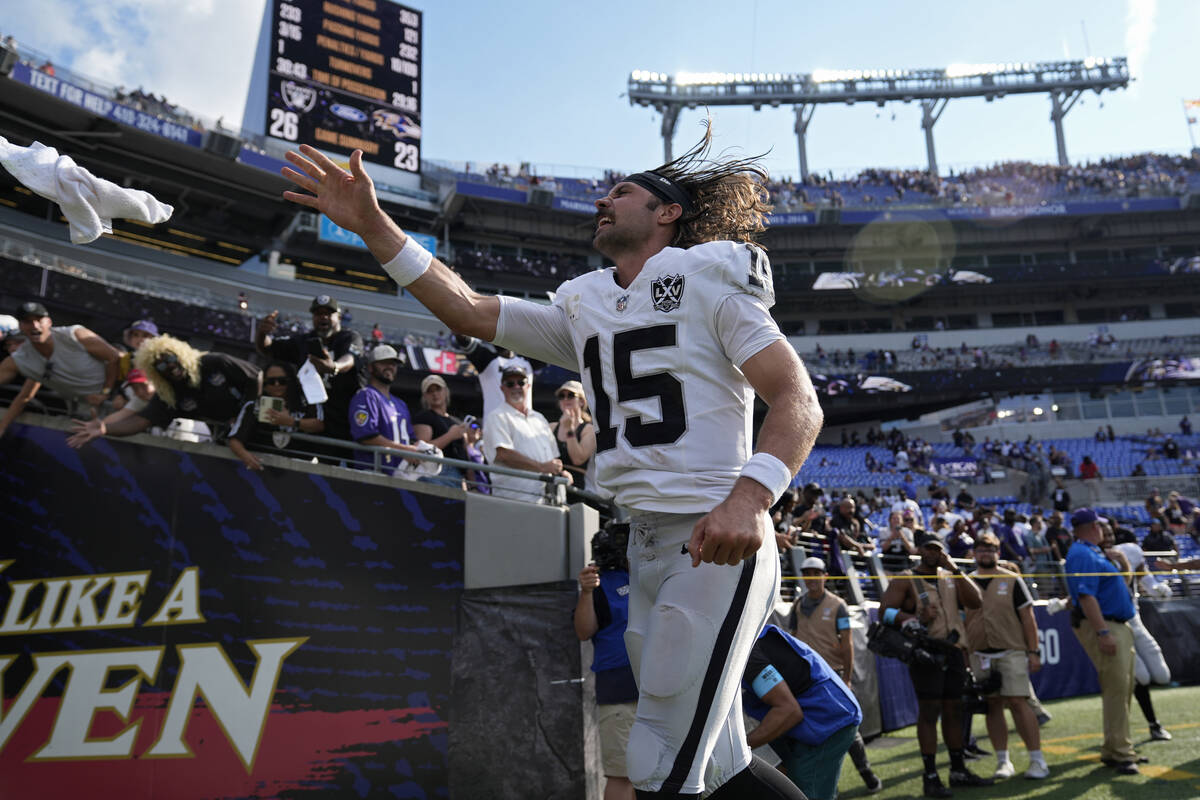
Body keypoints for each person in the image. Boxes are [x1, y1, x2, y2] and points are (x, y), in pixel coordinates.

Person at [280, 130, 823, 797]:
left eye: (622, 191)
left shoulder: (711, 281)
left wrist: (750, 497)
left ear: (667, 212)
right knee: (718, 771)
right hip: (649, 544)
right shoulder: (587, 304)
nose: (604, 199)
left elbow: (797, 397)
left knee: (655, 758)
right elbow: (468, 309)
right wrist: (372, 224)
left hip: (715, 540)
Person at [878, 534, 990, 798]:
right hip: (926, 651)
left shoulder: (949, 577)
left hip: (953, 651)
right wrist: (913, 616)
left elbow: (976, 601)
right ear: (919, 550)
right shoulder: (906, 578)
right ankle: (930, 776)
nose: (933, 552)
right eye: (928, 548)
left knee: (954, 710)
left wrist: (954, 568)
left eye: (937, 548)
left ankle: (958, 769)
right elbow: (884, 612)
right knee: (929, 712)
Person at [741, 624, 863, 800]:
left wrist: (744, 746)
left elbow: (789, 711)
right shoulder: (751, 640)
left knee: (804, 789)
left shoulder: (750, 654)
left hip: (830, 721)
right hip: (820, 718)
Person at [791, 557, 882, 794]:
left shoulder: (838, 604)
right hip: (805, 679)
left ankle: (867, 774)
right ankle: (825, 786)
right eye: (807, 573)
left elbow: (848, 643)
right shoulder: (797, 605)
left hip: (833, 675)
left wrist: (847, 677)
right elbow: (791, 639)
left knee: (847, 728)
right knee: (812, 732)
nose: (811, 577)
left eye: (815, 572)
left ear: (825, 576)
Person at [67, 334, 260, 444]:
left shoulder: (215, 362)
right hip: (235, 440)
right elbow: (142, 421)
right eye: (159, 366)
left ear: (180, 354)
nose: (168, 366)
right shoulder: (170, 393)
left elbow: (256, 377)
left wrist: (245, 415)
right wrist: (105, 428)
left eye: (169, 358)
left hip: (262, 422)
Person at [964, 534, 1049, 780]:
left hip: (1011, 649)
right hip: (979, 653)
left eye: (990, 549)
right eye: (980, 549)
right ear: (974, 554)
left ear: (998, 553)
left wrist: (1033, 651)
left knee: (1018, 702)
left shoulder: (1012, 580)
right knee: (992, 705)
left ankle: (1037, 760)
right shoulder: (966, 582)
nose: (985, 554)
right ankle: (1003, 761)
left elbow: (1028, 618)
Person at [1063, 508, 1141, 775]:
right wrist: (1103, 632)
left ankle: (1114, 748)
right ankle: (1121, 752)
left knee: (1122, 687)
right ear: (1093, 526)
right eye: (1100, 526)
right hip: (1106, 624)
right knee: (1117, 689)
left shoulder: (1089, 552)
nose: (1104, 531)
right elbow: (1086, 597)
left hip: (1115, 623)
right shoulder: (1083, 554)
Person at [575, 524, 638, 800]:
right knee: (623, 774)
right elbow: (583, 631)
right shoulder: (601, 583)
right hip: (620, 690)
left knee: (656, 772)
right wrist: (587, 592)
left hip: (657, 687)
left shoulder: (646, 577)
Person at [0, 302, 121, 436]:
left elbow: (114, 357)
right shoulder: (20, 360)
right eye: (28, 321)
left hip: (118, 398)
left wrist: (106, 392)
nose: (35, 325)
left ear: (49, 322)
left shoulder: (75, 334)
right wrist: (2, 427)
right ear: (21, 326)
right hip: (86, 412)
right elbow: (25, 396)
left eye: (39, 320)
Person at [255, 295, 365, 442]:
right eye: (318, 314)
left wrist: (333, 367)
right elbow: (268, 348)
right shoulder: (304, 341)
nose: (323, 317)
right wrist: (262, 333)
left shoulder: (349, 337)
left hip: (345, 424)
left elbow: (350, 359)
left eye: (328, 313)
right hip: (312, 425)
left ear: (338, 317)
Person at [1103, 524, 1173, 742]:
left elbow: (1144, 575)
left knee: (1162, 676)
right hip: (1116, 622)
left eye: (1109, 535)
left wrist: (1156, 588)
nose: (1106, 539)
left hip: (1134, 617)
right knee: (1139, 677)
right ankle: (1152, 725)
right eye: (1102, 535)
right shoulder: (1093, 559)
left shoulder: (1130, 550)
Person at [482, 364, 571, 502]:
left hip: (547, 500)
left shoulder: (539, 418)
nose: (516, 386)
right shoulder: (497, 417)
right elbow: (503, 455)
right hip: (515, 499)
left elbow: (552, 460)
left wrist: (560, 472)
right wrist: (542, 467)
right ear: (502, 388)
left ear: (528, 386)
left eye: (521, 382)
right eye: (510, 383)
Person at [227, 361, 325, 471]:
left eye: (282, 381)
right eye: (271, 381)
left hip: (299, 471)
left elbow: (319, 424)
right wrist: (245, 456)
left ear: (291, 381)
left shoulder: (307, 401)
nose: (277, 385)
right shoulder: (254, 406)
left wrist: (290, 421)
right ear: (265, 385)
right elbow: (234, 439)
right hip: (260, 471)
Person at [347, 345, 426, 473]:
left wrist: (419, 447)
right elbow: (366, 436)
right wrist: (403, 450)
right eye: (384, 363)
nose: (390, 367)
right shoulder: (366, 396)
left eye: (393, 364)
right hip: (373, 472)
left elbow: (411, 438)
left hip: (401, 474)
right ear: (371, 367)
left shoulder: (401, 404)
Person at [412, 373, 478, 491]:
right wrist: (450, 436)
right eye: (430, 391)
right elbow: (421, 451)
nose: (435, 394)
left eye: (438, 389)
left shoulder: (456, 421)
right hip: (437, 474)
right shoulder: (424, 417)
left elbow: (464, 452)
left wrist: (472, 483)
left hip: (459, 477)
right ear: (425, 396)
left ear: (446, 391)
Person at [554, 379, 597, 490]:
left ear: (582, 401)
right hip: (553, 481)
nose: (566, 399)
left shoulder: (589, 429)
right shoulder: (552, 427)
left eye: (571, 395)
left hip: (577, 487)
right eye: (561, 396)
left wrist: (569, 429)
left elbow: (578, 459)